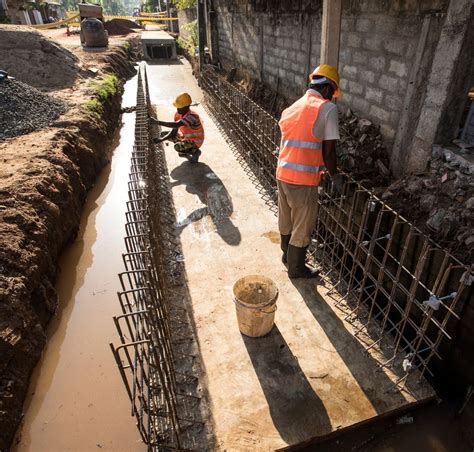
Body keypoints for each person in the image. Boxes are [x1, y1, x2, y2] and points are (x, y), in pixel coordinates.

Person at [277, 64, 342, 279]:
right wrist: (335, 176)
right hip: (303, 180)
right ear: (328, 89)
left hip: (283, 174)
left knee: (286, 219)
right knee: (302, 226)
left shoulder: (292, 107)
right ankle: (296, 269)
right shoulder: (327, 108)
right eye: (333, 94)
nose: (332, 98)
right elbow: (329, 151)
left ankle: (287, 256)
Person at [151, 92, 205, 163]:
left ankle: (195, 152)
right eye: (177, 107)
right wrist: (161, 139)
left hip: (195, 142)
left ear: (187, 107)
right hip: (186, 138)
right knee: (163, 134)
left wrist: (157, 122)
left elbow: (176, 124)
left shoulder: (192, 116)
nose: (178, 110)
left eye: (180, 108)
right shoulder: (178, 114)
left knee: (178, 147)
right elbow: (174, 132)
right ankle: (185, 150)